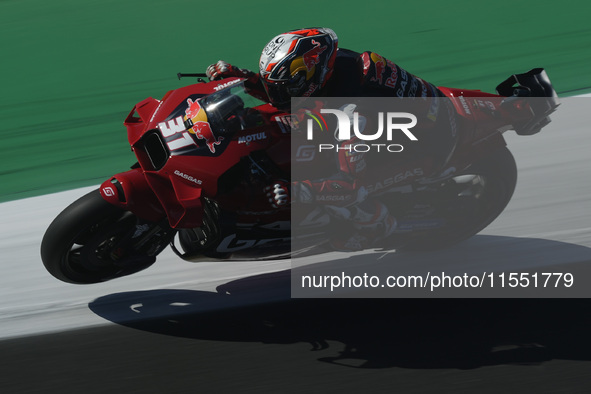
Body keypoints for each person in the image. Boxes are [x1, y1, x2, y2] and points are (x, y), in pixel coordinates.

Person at [205, 27, 457, 251]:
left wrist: (297, 190)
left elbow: (349, 186)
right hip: (415, 114)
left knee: (338, 189)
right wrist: (243, 78)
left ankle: (377, 226)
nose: (279, 91)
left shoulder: (354, 115)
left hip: (427, 147)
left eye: (287, 85)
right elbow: (285, 96)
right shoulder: (331, 63)